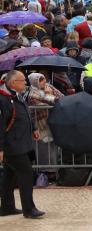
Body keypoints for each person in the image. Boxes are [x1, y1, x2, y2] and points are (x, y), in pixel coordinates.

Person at [0, 70, 44, 219]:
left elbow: (25, 112)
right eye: (22, 80)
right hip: (12, 145)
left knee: (9, 175)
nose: (25, 83)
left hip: (20, 142)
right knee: (26, 174)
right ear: (13, 83)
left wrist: (34, 128)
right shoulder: (3, 99)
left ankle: (7, 207)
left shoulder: (17, 95)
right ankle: (29, 209)